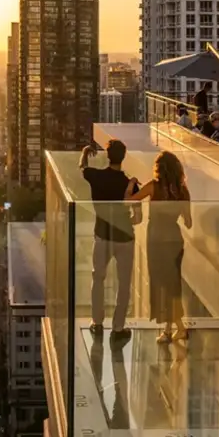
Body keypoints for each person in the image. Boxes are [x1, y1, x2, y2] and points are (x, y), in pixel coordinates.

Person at [125, 151, 192, 343]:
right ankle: (173, 329)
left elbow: (130, 200)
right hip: (175, 239)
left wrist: (130, 185)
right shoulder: (183, 190)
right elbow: (188, 222)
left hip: (156, 239)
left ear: (159, 169)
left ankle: (175, 328)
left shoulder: (154, 187)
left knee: (161, 284)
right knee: (173, 284)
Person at [79, 140, 137, 341]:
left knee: (98, 278)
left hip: (102, 234)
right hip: (125, 237)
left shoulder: (96, 177)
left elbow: (83, 168)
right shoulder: (130, 183)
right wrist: (125, 219)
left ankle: (96, 323)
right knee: (124, 283)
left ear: (108, 156)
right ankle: (118, 328)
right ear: (123, 157)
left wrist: (85, 152)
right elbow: (137, 218)